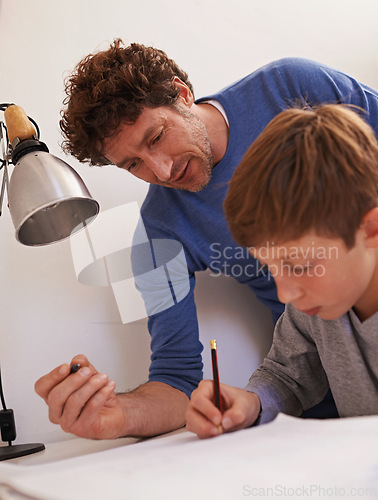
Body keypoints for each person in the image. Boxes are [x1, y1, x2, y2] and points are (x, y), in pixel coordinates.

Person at [35, 39, 378, 440]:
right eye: (132, 164)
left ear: (182, 94)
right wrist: (117, 414)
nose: (160, 172)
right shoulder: (157, 235)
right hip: (312, 405)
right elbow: (176, 377)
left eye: (156, 137)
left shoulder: (292, 86)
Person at [186, 104, 378, 438]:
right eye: (270, 268)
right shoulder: (315, 307)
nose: (285, 293)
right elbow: (287, 376)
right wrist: (251, 403)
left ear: (371, 230)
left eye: (300, 266)